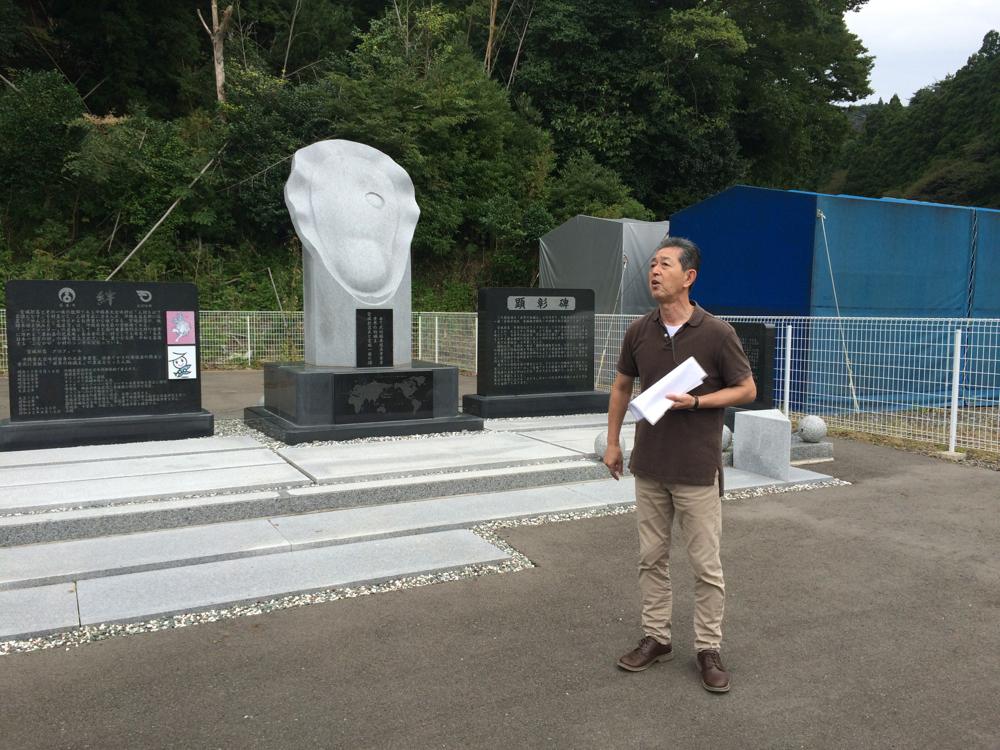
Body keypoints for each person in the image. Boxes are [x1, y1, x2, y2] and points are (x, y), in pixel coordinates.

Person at [603, 236, 756, 693]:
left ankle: (708, 648)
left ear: (688, 277)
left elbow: (746, 389)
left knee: (705, 565)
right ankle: (656, 637)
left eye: (664, 264)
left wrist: (697, 401)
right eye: (651, 264)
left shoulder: (716, 332)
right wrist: (612, 443)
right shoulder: (639, 330)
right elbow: (620, 388)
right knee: (651, 558)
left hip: (696, 470)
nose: (654, 271)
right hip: (649, 466)